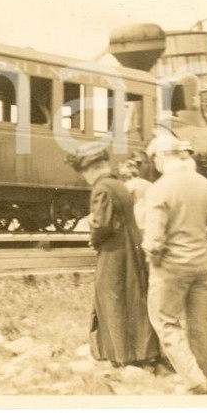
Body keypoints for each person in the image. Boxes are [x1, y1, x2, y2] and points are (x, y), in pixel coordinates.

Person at [141, 136, 207, 394]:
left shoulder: (159, 188)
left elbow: (154, 238)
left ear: (160, 157)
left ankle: (195, 381)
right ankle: (206, 377)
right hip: (201, 264)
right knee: (199, 323)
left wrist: (155, 259)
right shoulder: (206, 185)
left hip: (170, 266)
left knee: (165, 321)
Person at [65, 144, 161, 367]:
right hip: (130, 246)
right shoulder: (119, 184)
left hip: (114, 251)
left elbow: (102, 224)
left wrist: (93, 237)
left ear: (91, 169)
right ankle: (143, 351)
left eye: (84, 173)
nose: (85, 178)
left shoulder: (102, 188)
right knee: (133, 297)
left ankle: (121, 354)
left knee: (112, 298)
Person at [117, 155, 152, 231]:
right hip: (148, 218)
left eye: (123, 167)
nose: (119, 170)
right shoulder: (148, 184)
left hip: (136, 217)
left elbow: (123, 203)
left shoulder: (128, 185)